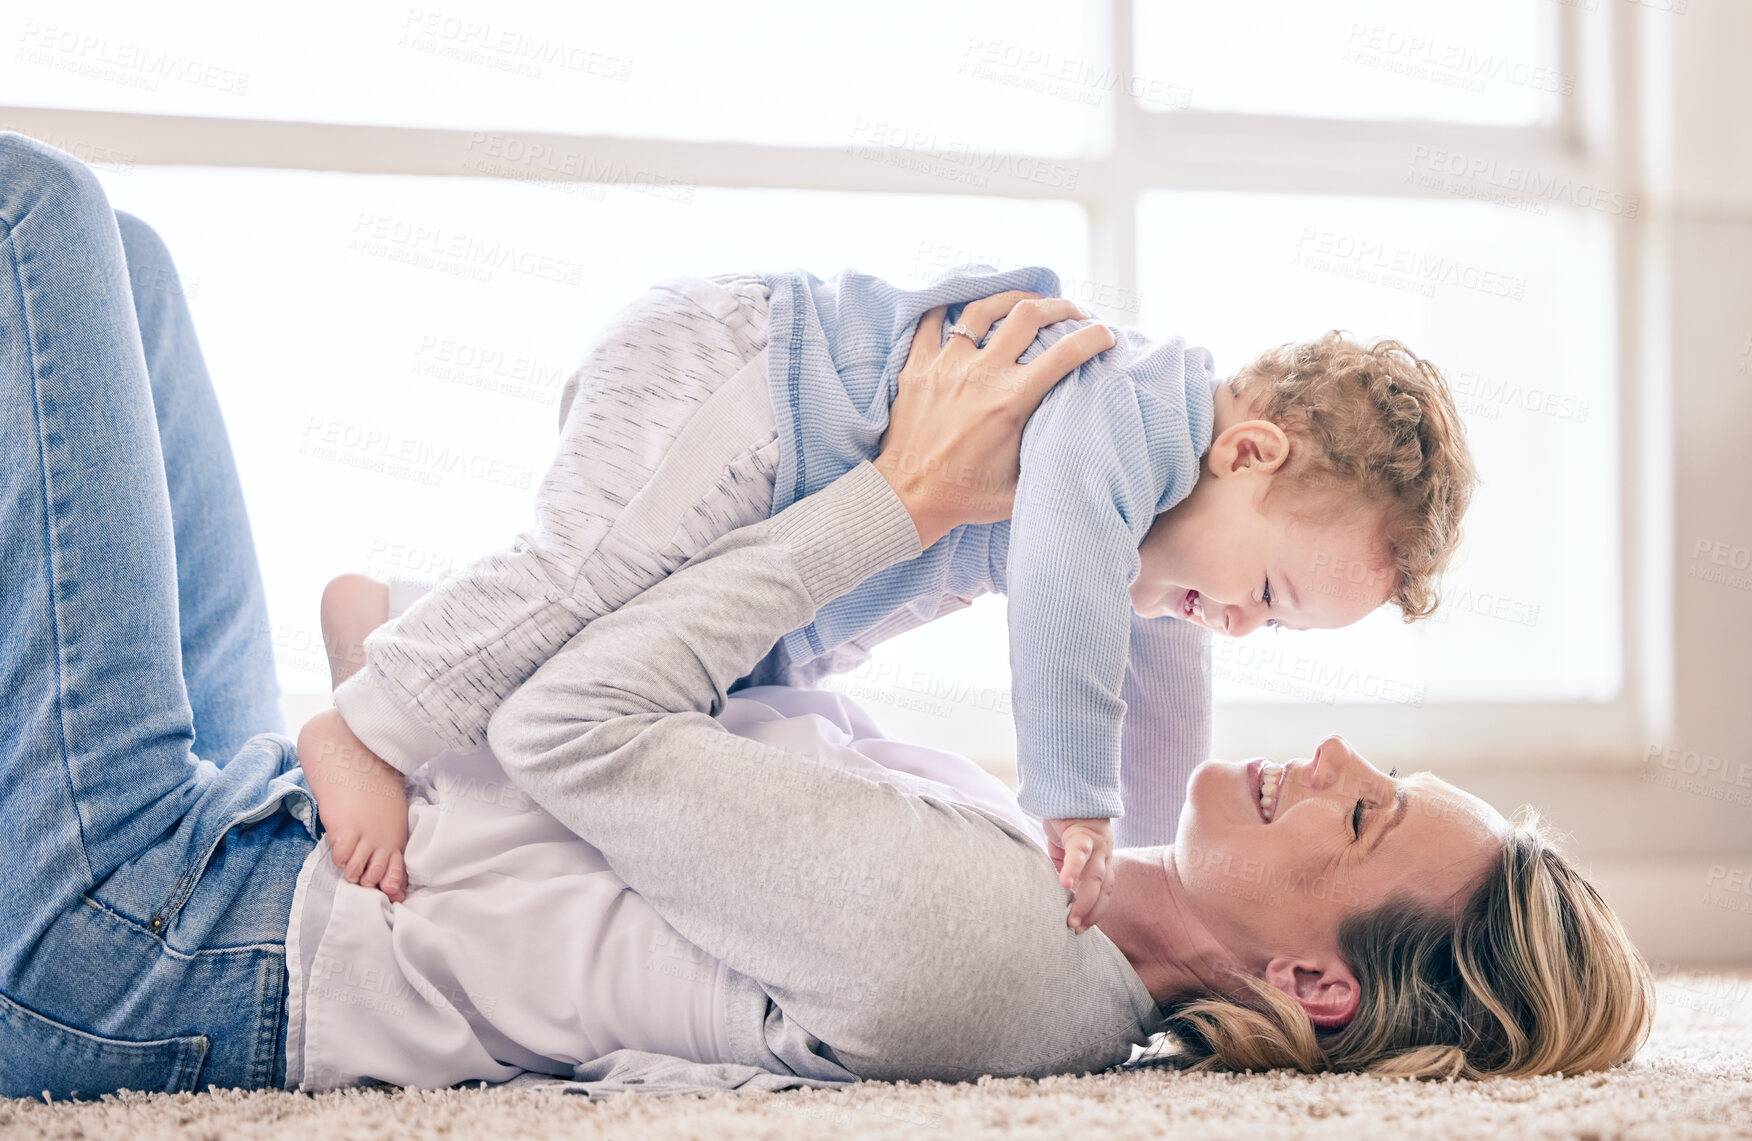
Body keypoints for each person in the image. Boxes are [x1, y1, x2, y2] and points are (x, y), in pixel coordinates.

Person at [0, 132, 1646, 1102]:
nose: (1338, 744)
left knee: (43, 222)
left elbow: (570, 723)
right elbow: (1116, 635)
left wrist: (910, 500)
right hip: (248, 820)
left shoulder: (1005, 960)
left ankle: (378, 678)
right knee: (131, 266)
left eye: (1365, 813)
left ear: (1320, 981)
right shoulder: (1049, 888)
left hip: (157, 947)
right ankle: (385, 658)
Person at [304, 237, 1479, 934]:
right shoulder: (1128, 414)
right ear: (1251, 452)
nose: (1239, 624)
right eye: (1265, 591)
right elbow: (1066, 564)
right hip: (743, 383)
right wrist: (1073, 797)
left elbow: (1161, 681)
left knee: (697, 673)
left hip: (794, 514)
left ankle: (398, 615)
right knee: (581, 577)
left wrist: (1148, 872)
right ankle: (372, 722)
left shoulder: (1164, 541)